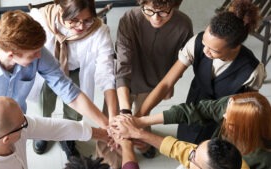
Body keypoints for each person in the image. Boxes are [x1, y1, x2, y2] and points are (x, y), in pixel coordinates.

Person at [0, 9, 109, 154]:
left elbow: (66, 89)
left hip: (17, 126)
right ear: (12, 55)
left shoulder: (36, 51)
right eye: (33, 54)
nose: (39, 56)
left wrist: (105, 124)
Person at [136, 0, 266, 144]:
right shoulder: (196, 42)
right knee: (184, 143)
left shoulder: (252, 70)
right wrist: (138, 116)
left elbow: (248, 108)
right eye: (205, 43)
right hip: (191, 111)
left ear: (235, 47)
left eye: (214, 50)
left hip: (223, 125)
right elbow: (166, 83)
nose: (205, 51)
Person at [29, 0, 118, 157]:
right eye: (74, 20)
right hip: (47, 70)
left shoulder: (99, 30)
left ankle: (68, 137)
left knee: (74, 111)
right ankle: (43, 133)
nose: (81, 27)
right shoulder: (42, 19)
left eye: (87, 20)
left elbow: (106, 71)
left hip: (75, 70)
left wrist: (111, 118)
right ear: (60, 10)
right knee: (45, 104)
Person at [115, 0, 193, 159]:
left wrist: (134, 122)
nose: (156, 18)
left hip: (155, 83)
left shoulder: (183, 25)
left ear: (175, 6)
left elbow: (180, 63)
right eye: (149, 11)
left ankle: (143, 144)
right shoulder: (129, 19)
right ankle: (110, 158)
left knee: (143, 117)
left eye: (163, 12)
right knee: (115, 120)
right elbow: (123, 65)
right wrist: (125, 112)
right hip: (124, 83)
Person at [121, 92, 271, 169]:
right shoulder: (235, 107)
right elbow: (182, 149)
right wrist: (139, 128)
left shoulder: (264, 159)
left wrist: (127, 146)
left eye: (193, 157)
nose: (223, 115)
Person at [0, 96, 108, 169]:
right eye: (23, 123)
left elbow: (55, 128)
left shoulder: (6, 126)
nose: (27, 123)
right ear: (6, 139)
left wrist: (105, 134)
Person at [110, 114, 248, 169]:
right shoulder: (229, 162)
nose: (190, 151)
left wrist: (126, 146)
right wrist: (137, 133)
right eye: (197, 147)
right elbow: (178, 148)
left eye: (193, 156)